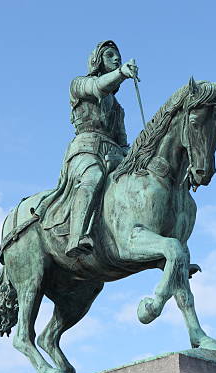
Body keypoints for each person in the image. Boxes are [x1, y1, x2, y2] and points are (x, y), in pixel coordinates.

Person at [64, 40, 138, 256]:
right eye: (110, 55)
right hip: (85, 152)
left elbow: (124, 143)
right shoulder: (78, 84)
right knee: (93, 176)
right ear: (97, 61)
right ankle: (76, 237)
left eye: (118, 57)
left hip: (112, 155)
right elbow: (97, 87)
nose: (116, 59)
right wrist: (122, 73)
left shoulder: (118, 108)